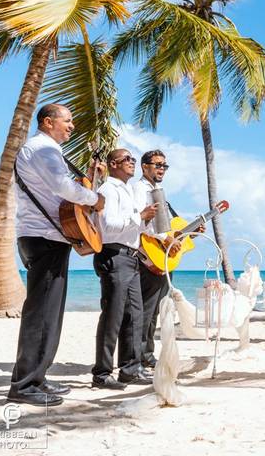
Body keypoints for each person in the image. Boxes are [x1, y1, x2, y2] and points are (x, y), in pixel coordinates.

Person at [8, 104, 105, 406]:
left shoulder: (43, 150)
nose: (72, 126)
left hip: (44, 237)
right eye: (68, 120)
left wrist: (88, 183)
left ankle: (38, 378)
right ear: (48, 122)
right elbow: (64, 187)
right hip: (44, 238)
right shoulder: (44, 149)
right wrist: (95, 199)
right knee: (41, 315)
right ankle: (24, 386)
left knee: (48, 315)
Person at [91, 148, 157, 389]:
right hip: (114, 254)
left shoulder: (125, 190)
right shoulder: (108, 189)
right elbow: (108, 226)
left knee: (134, 316)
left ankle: (130, 369)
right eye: (127, 159)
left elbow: (133, 228)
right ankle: (101, 374)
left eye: (132, 159)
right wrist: (140, 217)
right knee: (112, 316)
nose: (132, 162)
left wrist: (145, 221)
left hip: (129, 257)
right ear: (113, 164)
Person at [129, 149, 188, 370]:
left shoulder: (159, 191)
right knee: (145, 309)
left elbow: (168, 226)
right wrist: (164, 238)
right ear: (145, 167)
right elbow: (139, 221)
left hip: (162, 256)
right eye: (157, 164)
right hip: (148, 255)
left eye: (164, 165)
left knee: (154, 310)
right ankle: (137, 357)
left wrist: (188, 231)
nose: (161, 168)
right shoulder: (138, 189)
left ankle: (147, 353)